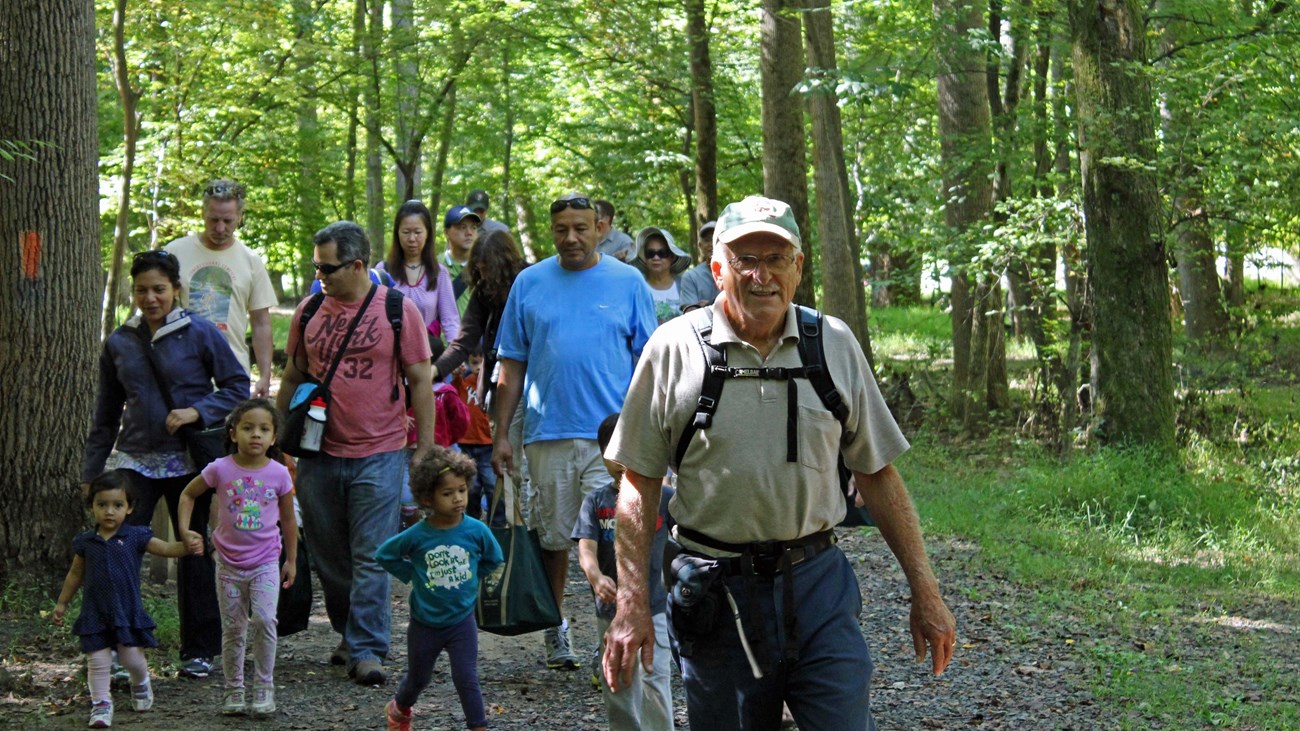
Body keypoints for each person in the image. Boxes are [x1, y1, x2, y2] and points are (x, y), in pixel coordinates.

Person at [602, 196, 957, 731]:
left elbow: (878, 473)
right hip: (717, 593)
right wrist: (632, 599)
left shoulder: (832, 343)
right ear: (718, 268)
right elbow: (638, 480)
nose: (760, 275)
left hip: (817, 584)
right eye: (745, 259)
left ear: (798, 267)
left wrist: (926, 591)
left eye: (775, 258)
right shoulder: (673, 348)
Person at [491, 192, 658, 670]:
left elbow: (649, 363)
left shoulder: (628, 282)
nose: (571, 238)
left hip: (614, 437)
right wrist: (503, 435)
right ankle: (555, 626)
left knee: (615, 535)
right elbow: (511, 365)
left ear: (600, 228)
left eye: (581, 228)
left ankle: (617, 629)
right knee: (553, 539)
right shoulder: (529, 282)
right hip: (548, 432)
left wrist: (653, 432)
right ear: (551, 232)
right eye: (562, 229)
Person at [276, 221, 436, 686]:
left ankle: (368, 648)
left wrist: (422, 450)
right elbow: (292, 376)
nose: (320, 275)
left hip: (380, 451)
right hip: (317, 453)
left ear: (358, 264)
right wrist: (275, 434)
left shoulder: (395, 310)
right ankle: (348, 632)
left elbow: (421, 380)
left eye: (328, 268)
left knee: (371, 555)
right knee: (330, 557)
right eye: (316, 267)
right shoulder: (308, 311)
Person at [82, 249, 249, 681]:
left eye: (159, 289)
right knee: (116, 552)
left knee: (194, 550)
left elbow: (235, 387)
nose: (150, 298)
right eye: (141, 290)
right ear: (131, 292)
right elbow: (104, 415)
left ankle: (199, 650)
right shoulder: (120, 341)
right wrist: (92, 473)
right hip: (134, 459)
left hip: (190, 460)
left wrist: (197, 411)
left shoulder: (201, 333)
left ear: (176, 289)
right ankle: (121, 648)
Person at [53, 470, 203, 729]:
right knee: (98, 662)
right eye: (102, 505)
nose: (109, 512)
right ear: (92, 507)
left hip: (127, 611)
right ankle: (101, 704)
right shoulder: (86, 542)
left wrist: (187, 546)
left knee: (131, 659)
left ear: (130, 508)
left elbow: (166, 549)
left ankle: (141, 681)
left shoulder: (136, 536)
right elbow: (75, 574)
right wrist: (62, 603)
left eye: (117, 505)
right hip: (95, 612)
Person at [177, 398, 298, 718]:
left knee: (265, 621)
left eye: (263, 429)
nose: (255, 435)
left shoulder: (279, 473)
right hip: (228, 566)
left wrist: (292, 560)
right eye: (247, 428)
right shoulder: (220, 468)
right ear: (233, 433)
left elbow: (288, 521)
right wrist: (186, 531)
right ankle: (234, 690)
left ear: (273, 437)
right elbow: (188, 494)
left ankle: (264, 687)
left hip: (266, 563)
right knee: (232, 630)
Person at [377, 446, 504, 731]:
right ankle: (400, 707)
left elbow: (494, 558)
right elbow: (385, 554)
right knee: (419, 678)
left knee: (466, 677)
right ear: (427, 498)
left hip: (462, 620)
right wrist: (411, 574)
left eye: (461, 490)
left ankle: (479, 726)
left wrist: (473, 578)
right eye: (447, 494)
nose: (458, 498)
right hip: (425, 623)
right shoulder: (418, 534)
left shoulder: (476, 530)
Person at [572, 414, 675, 731]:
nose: (621, 462)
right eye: (613, 454)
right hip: (609, 611)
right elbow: (585, 547)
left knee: (654, 676)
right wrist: (595, 576)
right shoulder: (596, 501)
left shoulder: (665, 499)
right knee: (616, 678)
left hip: (655, 606)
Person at [164, 179, 277, 398]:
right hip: (181, 370)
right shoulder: (175, 252)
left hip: (231, 373)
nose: (220, 228)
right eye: (213, 220)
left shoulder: (251, 260)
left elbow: (261, 321)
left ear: (240, 217)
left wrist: (265, 374)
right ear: (203, 213)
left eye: (228, 221)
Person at [377, 200, 464, 342]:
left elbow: (450, 321)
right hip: (389, 354)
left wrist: (454, 355)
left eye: (417, 232)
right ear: (397, 233)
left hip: (426, 353)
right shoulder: (383, 271)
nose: (412, 239)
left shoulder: (439, 273)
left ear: (428, 233)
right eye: (406, 232)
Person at [452, 347, 500, 525]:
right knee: (471, 488)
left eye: (482, 363)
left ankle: (497, 523)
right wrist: (457, 375)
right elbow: (453, 392)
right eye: (474, 363)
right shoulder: (463, 384)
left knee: (493, 486)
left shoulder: (493, 385)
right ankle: (472, 521)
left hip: (488, 445)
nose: (479, 367)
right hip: (466, 445)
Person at [631, 226, 692, 325]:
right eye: (650, 253)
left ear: (672, 257)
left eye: (662, 253)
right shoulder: (637, 286)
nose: (656, 258)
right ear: (645, 258)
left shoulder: (684, 285)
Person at [678, 219, 720, 313]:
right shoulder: (691, 276)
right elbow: (690, 313)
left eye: (716, 239)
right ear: (700, 246)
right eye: (707, 240)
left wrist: (707, 305)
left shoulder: (735, 272)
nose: (711, 244)